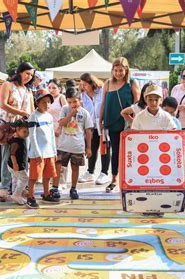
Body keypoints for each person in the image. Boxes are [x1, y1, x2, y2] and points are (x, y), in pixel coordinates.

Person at [99, 57, 140, 193]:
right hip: (111, 122)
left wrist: (134, 122)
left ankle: (132, 177)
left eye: (121, 70)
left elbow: (138, 104)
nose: (118, 73)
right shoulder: (108, 83)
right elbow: (103, 103)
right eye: (116, 70)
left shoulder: (132, 83)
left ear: (126, 69)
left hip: (127, 122)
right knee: (115, 151)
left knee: (130, 152)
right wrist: (100, 120)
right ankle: (114, 178)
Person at [0, 62, 35, 201]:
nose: (29, 77)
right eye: (27, 73)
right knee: (7, 157)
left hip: (24, 128)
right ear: (20, 72)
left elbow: (31, 111)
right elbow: (3, 104)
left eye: (31, 75)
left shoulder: (29, 91)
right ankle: (4, 187)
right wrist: (21, 112)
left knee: (23, 157)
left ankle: (19, 188)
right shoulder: (7, 85)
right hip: (9, 126)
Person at [53, 87, 93, 200]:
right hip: (63, 145)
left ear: (80, 100)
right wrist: (71, 114)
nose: (72, 104)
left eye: (75, 101)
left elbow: (88, 131)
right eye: (70, 102)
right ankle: (55, 188)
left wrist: (89, 147)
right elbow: (61, 123)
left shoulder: (85, 113)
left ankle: (73, 188)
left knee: (75, 168)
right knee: (59, 167)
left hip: (78, 146)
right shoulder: (65, 109)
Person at [27, 89, 58, 208]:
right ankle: (30, 197)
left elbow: (51, 135)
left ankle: (46, 193)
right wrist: (37, 153)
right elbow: (32, 136)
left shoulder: (49, 117)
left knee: (47, 175)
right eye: (44, 102)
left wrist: (54, 151)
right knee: (34, 177)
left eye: (49, 102)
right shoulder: (33, 116)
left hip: (49, 152)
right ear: (37, 102)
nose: (47, 105)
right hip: (37, 154)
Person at [78, 73, 110, 185]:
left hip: (103, 124)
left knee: (104, 148)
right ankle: (90, 172)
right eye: (81, 84)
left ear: (92, 83)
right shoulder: (83, 95)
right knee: (91, 148)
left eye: (85, 84)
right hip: (90, 125)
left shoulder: (101, 91)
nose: (83, 87)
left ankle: (104, 173)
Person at [47, 79, 68, 190]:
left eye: (54, 87)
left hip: (60, 131)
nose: (51, 90)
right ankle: (52, 180)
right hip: (49, 132)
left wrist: (59, 128)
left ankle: (62, 181)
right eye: (49, 87)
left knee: (61, 157)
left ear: (59, 89)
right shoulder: (47, 99)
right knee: (52, 157)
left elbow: (66, 114)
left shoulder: (61, 98)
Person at [8, 119, 30, 205]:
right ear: (17, 130)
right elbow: (12, 154)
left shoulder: (18, 138)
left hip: (13, 165)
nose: (26, 134)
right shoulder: (16, 141)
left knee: (15, 179)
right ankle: (17, 194)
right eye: (24, 132)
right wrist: (15, 164)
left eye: (28, 132)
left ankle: (15, 193)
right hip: (16, 165)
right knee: (24, 178)